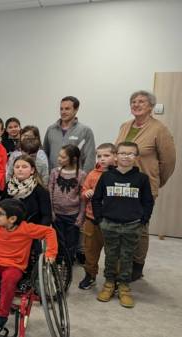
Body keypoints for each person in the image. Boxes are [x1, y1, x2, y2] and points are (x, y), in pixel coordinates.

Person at [0, 198, 57, 332]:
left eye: (0, 214)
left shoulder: (26, 229)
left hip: (15, 266)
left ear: (12, 219)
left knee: (9, 279)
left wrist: (51, 253)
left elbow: (49, 232)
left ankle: (1, 315)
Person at [114, 90, 176, 281]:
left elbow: (169, 162)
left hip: (144, 186)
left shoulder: (159, 129)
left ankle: (137, 266)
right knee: (121, 223)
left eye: (141, 101)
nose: (136, 104)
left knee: (140, 227)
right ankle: (121, 262)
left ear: (150, 106)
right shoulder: (125, 126)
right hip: (122, 184)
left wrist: (155, 181)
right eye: (133, 101)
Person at [92, 142, 154, 308]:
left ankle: (124, 287)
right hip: (109, 224)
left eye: (131, 154)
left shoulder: (142, 179)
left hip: (132, 225)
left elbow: (148, 201)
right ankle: (109, 283)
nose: (126, 156)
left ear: (136, 157)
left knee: (127, 256)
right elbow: (96, 198)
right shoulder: (106, 177)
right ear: (116, 156)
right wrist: (99, 219)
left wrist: (143, 219)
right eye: (123, 153)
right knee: (111, 254)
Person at [78, 143, 117, 290]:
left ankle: (112, 279)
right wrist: (86, 192)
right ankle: (90, 275)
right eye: (99, 156)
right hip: (92, 219)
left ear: (115, 156)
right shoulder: (92, 174)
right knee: (90, 251)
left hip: (112, 221)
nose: (102, 159)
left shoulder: (118, 175)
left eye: (106, 156)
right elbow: (84, 189)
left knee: (113, 252)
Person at [48, 144, 87, 263]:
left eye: (63, 157)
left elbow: (82, 197)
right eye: (59, 156)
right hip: (57, 214)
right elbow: (50, 191)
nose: (59, 159)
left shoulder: (81, 175)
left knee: (71, 241)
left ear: (74, 159)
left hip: (73, 214)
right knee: (58, 240)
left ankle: (69, 261)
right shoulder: (54, 172)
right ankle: (59, 261)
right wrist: (51, 211)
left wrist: (81, 215)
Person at [44, 96, 96, 172]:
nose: (63, 112)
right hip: (53, 178)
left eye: (67, 109)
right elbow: (45, 154)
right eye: (61, 109)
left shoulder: (85, 131)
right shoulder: (51, 129)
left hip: (75, 179)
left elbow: (90, 159)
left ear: (76, 110)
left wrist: (83, 179)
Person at [6, 155, 51, 225]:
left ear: (32, 170)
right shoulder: (8, 186)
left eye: (24, 167)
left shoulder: (40, 190)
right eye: (17, 167)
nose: (20, 169)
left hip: (32, 230)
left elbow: (46, 216)